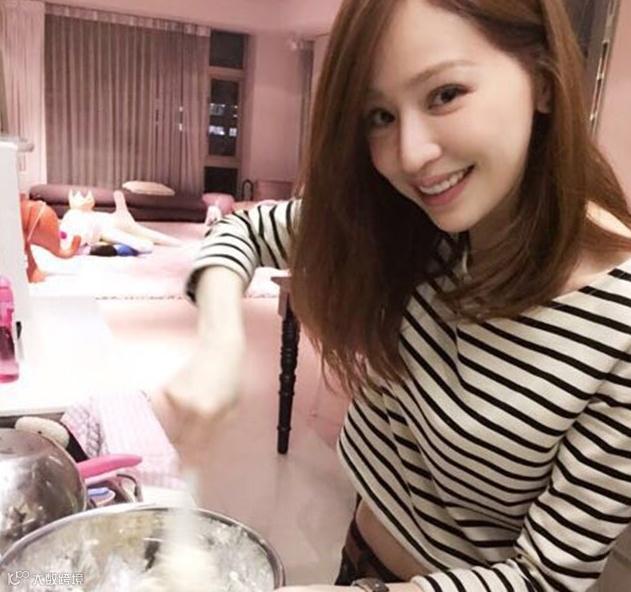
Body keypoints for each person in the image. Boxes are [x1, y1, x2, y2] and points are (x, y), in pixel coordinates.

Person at [150, 0, 631, 590]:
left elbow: (545, 579)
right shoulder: (410, 220)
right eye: (379, 115)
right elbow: (242, 229)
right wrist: (221, 342)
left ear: (544, 80)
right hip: (355, 552)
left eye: (445, 94)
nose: (410, 156)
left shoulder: (618, 323)